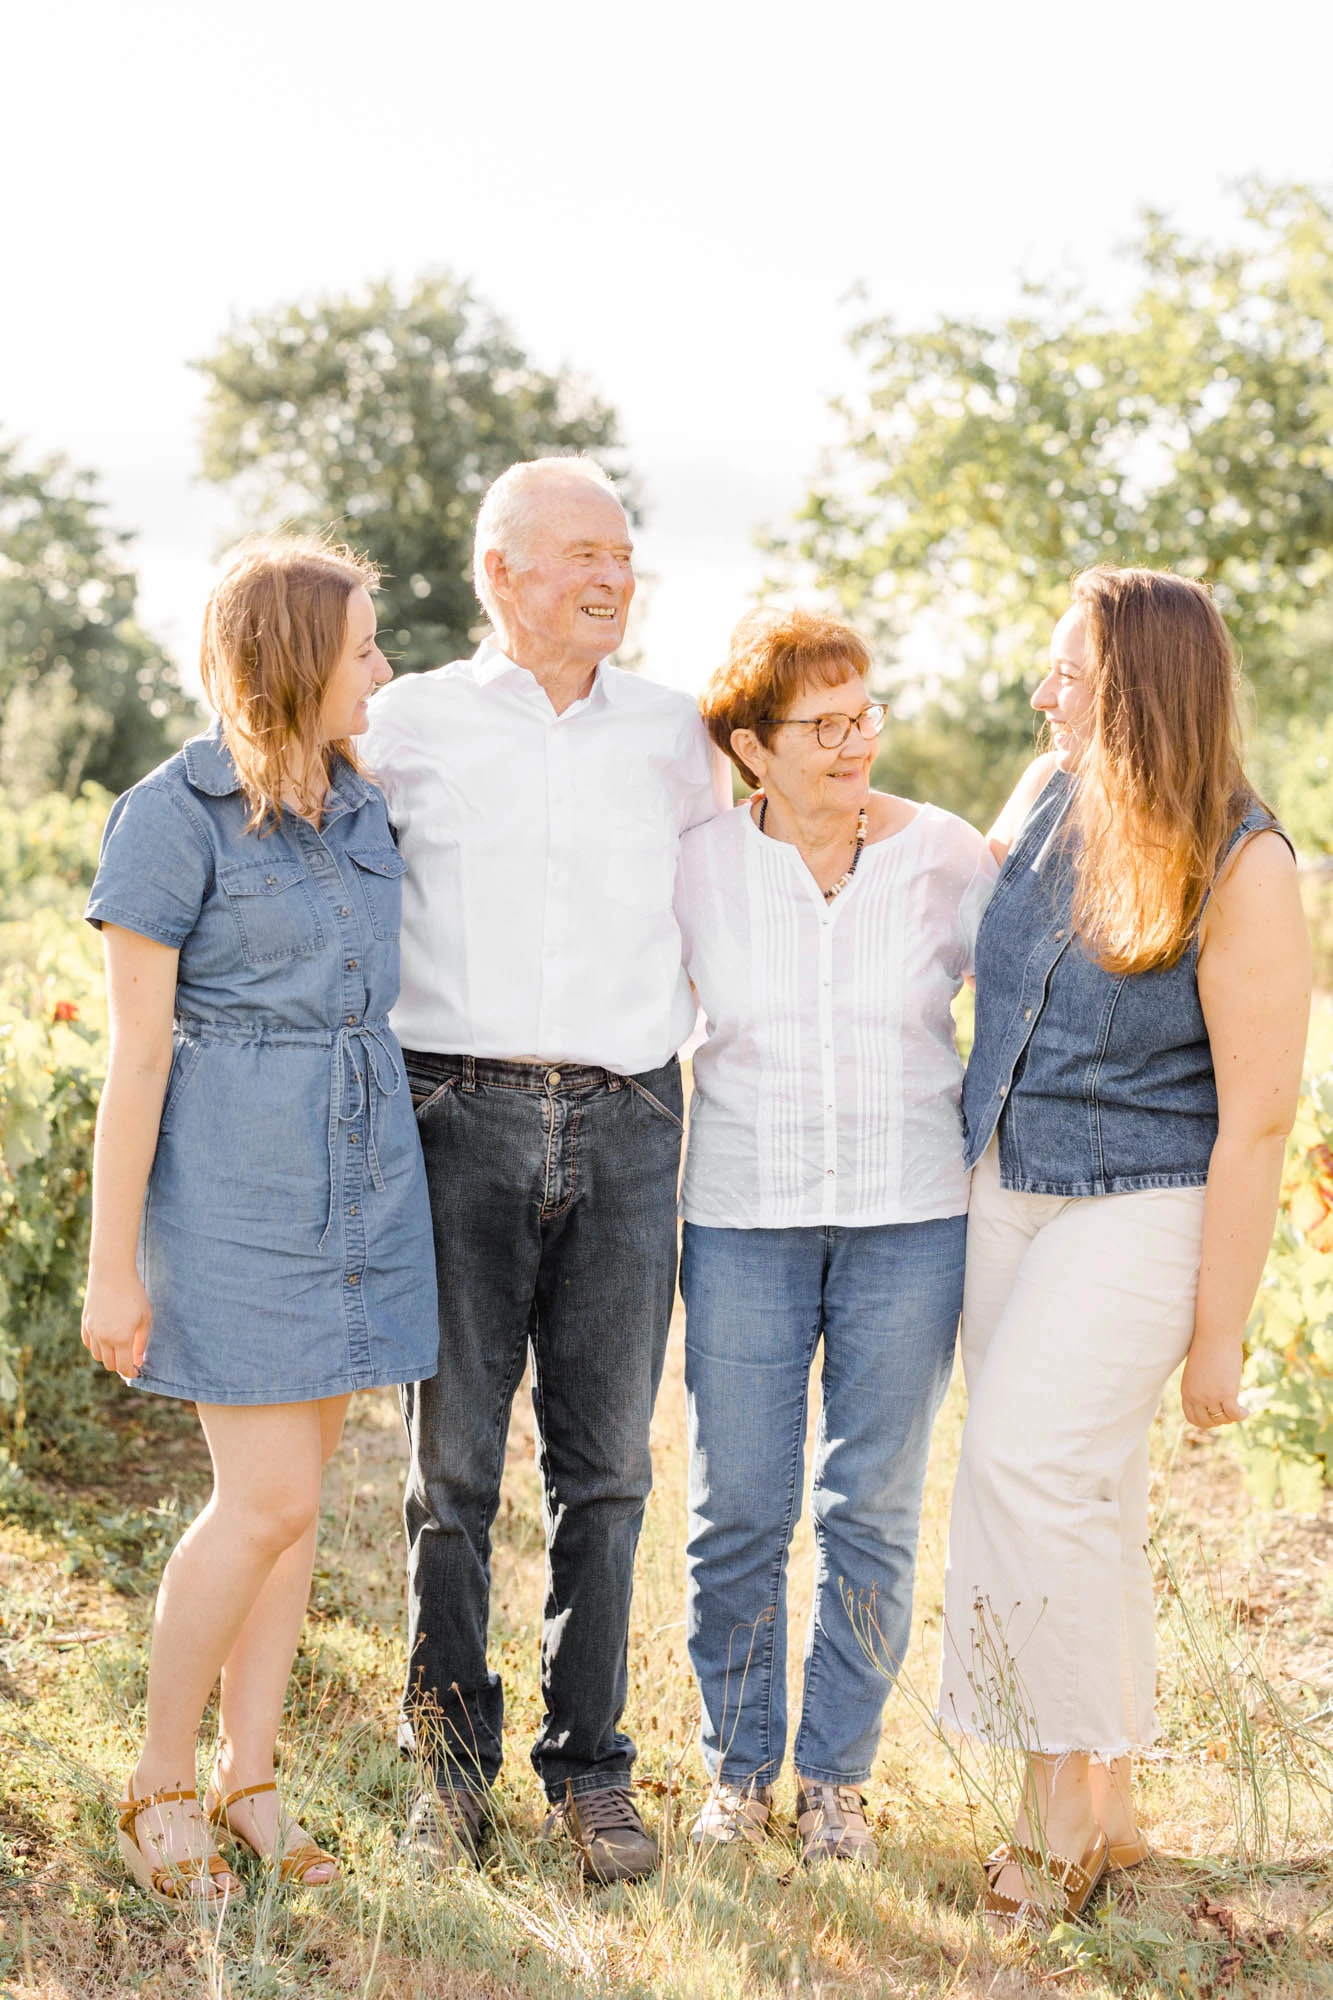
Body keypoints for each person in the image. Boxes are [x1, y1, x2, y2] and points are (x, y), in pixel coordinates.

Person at [362, 455, 727, 1884]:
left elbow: (769, 864)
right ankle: (448, 1771)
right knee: (449, 1473)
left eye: (624, 557)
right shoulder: (407, 723)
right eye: (580, 554)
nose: (610, 578)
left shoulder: (677, 735)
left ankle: (591, 1771)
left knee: (609, 1472)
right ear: (498, 572)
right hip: (454, 1113)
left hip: (634, 1120)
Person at [938, 566, 1310, 1931]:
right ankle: (1107, 1799)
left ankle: (1049, 1812)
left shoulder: (1244, 859)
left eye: (1070, 673)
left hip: (1142, 1198)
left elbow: (1260, 1120)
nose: (1043, 694)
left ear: (1140, 687)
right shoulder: (1046, 795)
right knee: (1080, 1497)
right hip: (1007, 1183)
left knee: (1023, 1464)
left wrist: (1217, 1334)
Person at [81, 536, 438, 1907]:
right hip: (232, 1189)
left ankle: (252, 1778)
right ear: (298, 660)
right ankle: (158, 1781)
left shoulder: (359, 804)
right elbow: (139, 1055)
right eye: (364, 648)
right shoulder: (167, 816)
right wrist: (114, 1267)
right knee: (266, 1499)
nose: (382, 670)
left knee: (291, 1517)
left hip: (362, 1178)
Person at [675, 607, 995, 1865]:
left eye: (866, 714)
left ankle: (835, 1786)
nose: (856, 741)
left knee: (868, 1505)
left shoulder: (946, 858)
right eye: (824, 724)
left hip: (909, 1217)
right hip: (744, 1212)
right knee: (739, 1507)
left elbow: (1024, 1003)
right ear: (754, 747)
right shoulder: (699, 862)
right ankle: (737, 1772)